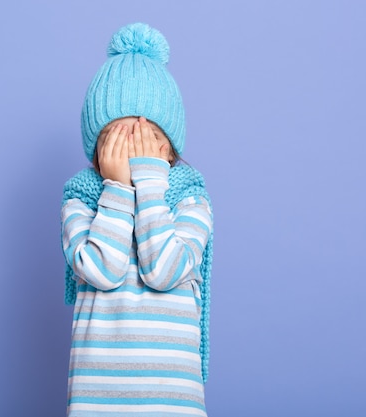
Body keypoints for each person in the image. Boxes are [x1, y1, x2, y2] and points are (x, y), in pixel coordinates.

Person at [61, 22, 214, 417]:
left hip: (173, 400)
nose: (132, 153)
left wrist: (149, 186)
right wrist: (116, 190)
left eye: (145, 141)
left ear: (170, 148)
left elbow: (163, 270)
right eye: (118, 139)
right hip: (97, 399)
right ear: (97, 150)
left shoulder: (190, 201)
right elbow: (102, 270)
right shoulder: (80, 201)